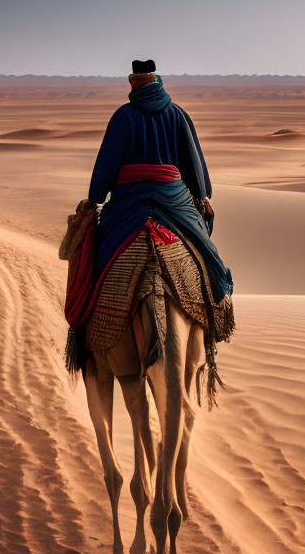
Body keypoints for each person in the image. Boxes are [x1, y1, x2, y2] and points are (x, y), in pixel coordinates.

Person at [64, 59, 233, 367]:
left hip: (130, 201)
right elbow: (194, 161)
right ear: (158, 81)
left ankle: (87, 327)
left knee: (97, 254)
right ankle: (218, 313)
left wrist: (95, 198)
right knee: (207, 254)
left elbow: (106, 164)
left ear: (133, 84)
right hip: (174, 198)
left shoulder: (123, 116)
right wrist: (202, 194)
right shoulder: (178, 114)